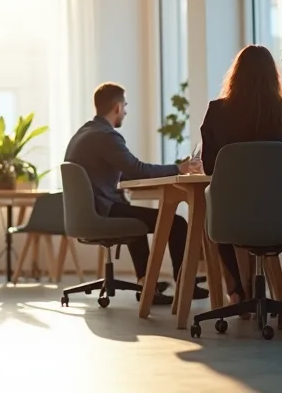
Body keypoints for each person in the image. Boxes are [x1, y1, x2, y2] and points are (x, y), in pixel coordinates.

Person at [199, 44, 282, 329]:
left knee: (219, 208)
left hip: (234, 220)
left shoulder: (216, 112)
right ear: (274, 77)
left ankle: (237, 292)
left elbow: (211, 168)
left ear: (235, 76)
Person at [63, 82, 206, 306]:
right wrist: (180, 168)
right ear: (118, 107)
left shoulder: (83, 133)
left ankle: (145, 284)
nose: (126, 112)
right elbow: (137, 169)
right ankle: (185, 285)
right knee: (177, 223)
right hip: (103, 211)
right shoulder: (107, 136)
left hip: (88, 212)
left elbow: (114, 173)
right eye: (126, 106)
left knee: (136, 218)